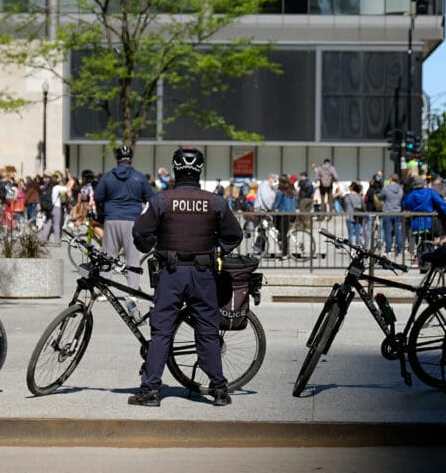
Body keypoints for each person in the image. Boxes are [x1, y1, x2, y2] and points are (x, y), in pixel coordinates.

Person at [130, 147, 243, 407]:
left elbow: (140, 231)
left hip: (170, 273)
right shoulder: (214, 201)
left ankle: (150, 391)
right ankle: (218, 390)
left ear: (174, 168)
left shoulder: (162, 200)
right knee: (207, 331)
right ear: (200, 170)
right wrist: (217, 248)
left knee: (161, 332)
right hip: (203, 274)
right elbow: (234, 235)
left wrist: (150, 245)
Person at [94, 146, 155, 302]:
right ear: (130, 159)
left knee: (108, 255)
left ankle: (104, 292)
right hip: (132, 221)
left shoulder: (108, 177)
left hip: (112, 219)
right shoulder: (139, 177)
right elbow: (151, 198)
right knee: (132, 258)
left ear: (118, 158)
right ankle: (133, 292)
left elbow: (98, 196)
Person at [401, 175, 446, 239]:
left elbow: (404, 204)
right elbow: (440, 203)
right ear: (423, 184)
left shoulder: (411, 195)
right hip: (429, 223)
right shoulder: (429, 192)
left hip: (416, 223)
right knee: (429, 241)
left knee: (417, 241)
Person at [378, 173, 404, 256]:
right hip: (397, 211)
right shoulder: (400, 189)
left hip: (388, 211)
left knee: (388, 232)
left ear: (391, 179)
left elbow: (380, 196)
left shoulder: (386, 188)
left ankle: (388, 250)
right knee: (398, 232)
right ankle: (399, 250)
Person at [271, 177, 297, 259]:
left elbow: (276, 204)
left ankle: (284, 254)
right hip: (292, 214)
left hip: (283, 214)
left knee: (283, 234)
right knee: (284, 233)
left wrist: (270, 208)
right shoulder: (291, 190)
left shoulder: (280, 192)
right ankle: (285, 250)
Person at [343, 181, 365, 245]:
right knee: (358, 234)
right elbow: (363, 206)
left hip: (349, 217)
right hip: (358, 217)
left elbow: (344, 205)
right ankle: (357, 248)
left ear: (351, 188)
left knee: (350, 234)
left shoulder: (347, 197)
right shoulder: (360, 197)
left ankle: (351, 249)